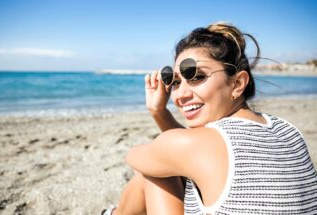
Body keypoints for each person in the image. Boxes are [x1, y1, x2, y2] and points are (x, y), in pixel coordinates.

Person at [102, 22, 317, 215]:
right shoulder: (287, 130)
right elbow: (190, 152)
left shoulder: (203, 144)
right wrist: (160, 112)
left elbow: (135, 157)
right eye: (175, 82)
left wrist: (159, 138)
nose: (180, 94)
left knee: (155, 172)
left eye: (197, 76)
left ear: (238, 83)